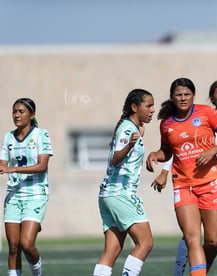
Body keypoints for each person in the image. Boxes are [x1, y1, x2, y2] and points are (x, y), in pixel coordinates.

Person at [152, 80, 217, 276]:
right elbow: (174, 150)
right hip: (185, 183)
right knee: (192, 236)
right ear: (212, 97)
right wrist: (163, 169)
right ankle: (179, 271)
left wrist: (214, 155)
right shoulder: (171, 122)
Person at [93, 89, 155, 276]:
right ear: (134, 107)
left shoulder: (132, 128)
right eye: (148, 106)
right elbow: (115, 159)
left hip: (108, 195)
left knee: (112, 251)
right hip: (121, 194)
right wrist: (128, 145)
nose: (152, 110)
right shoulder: (128, 129)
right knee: (145, 243)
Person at [0, 98, 53, 276]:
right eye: (14, 111)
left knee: (27, 244)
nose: (16, 115)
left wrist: (12, 168)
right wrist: (4, 168)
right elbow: (2, 165)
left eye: (21, 112)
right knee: (13, 247)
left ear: (32, 115)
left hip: (36, 194)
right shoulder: (8, 137)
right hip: (13, 196)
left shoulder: (41, 135)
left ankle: (37, 273)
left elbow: (42, 166)